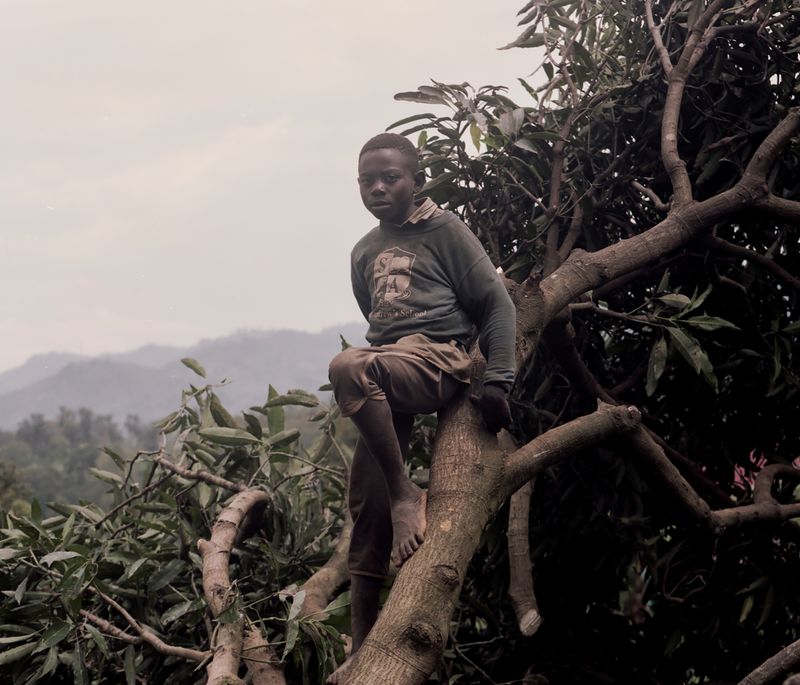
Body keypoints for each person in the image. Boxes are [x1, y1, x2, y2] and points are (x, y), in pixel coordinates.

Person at [326, 132, 516, 683]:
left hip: (436, 360)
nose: (378, 188)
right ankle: (362, 648)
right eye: (367, 180)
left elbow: (496, 302)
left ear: (417, 180)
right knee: (366, 504)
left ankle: (409, 492)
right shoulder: (364, 250)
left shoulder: (446, 230)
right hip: (391, 364)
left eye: (391, 178)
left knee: (346, 367)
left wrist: (499, 381)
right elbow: (376, 314)